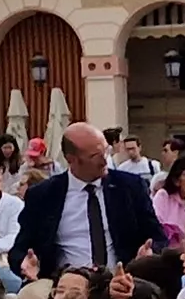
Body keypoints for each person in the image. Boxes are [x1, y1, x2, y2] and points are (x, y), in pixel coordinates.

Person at [9, 121, 162, 287]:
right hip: (64, 287)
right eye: (95, 156)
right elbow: (20, 249)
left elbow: (158, 237)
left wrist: (150, 254)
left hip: (122, 281)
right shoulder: (44, 195)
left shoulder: (130, 187)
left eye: (106, 152)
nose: (104, 161)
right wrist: (24, 263)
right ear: (71, 160)